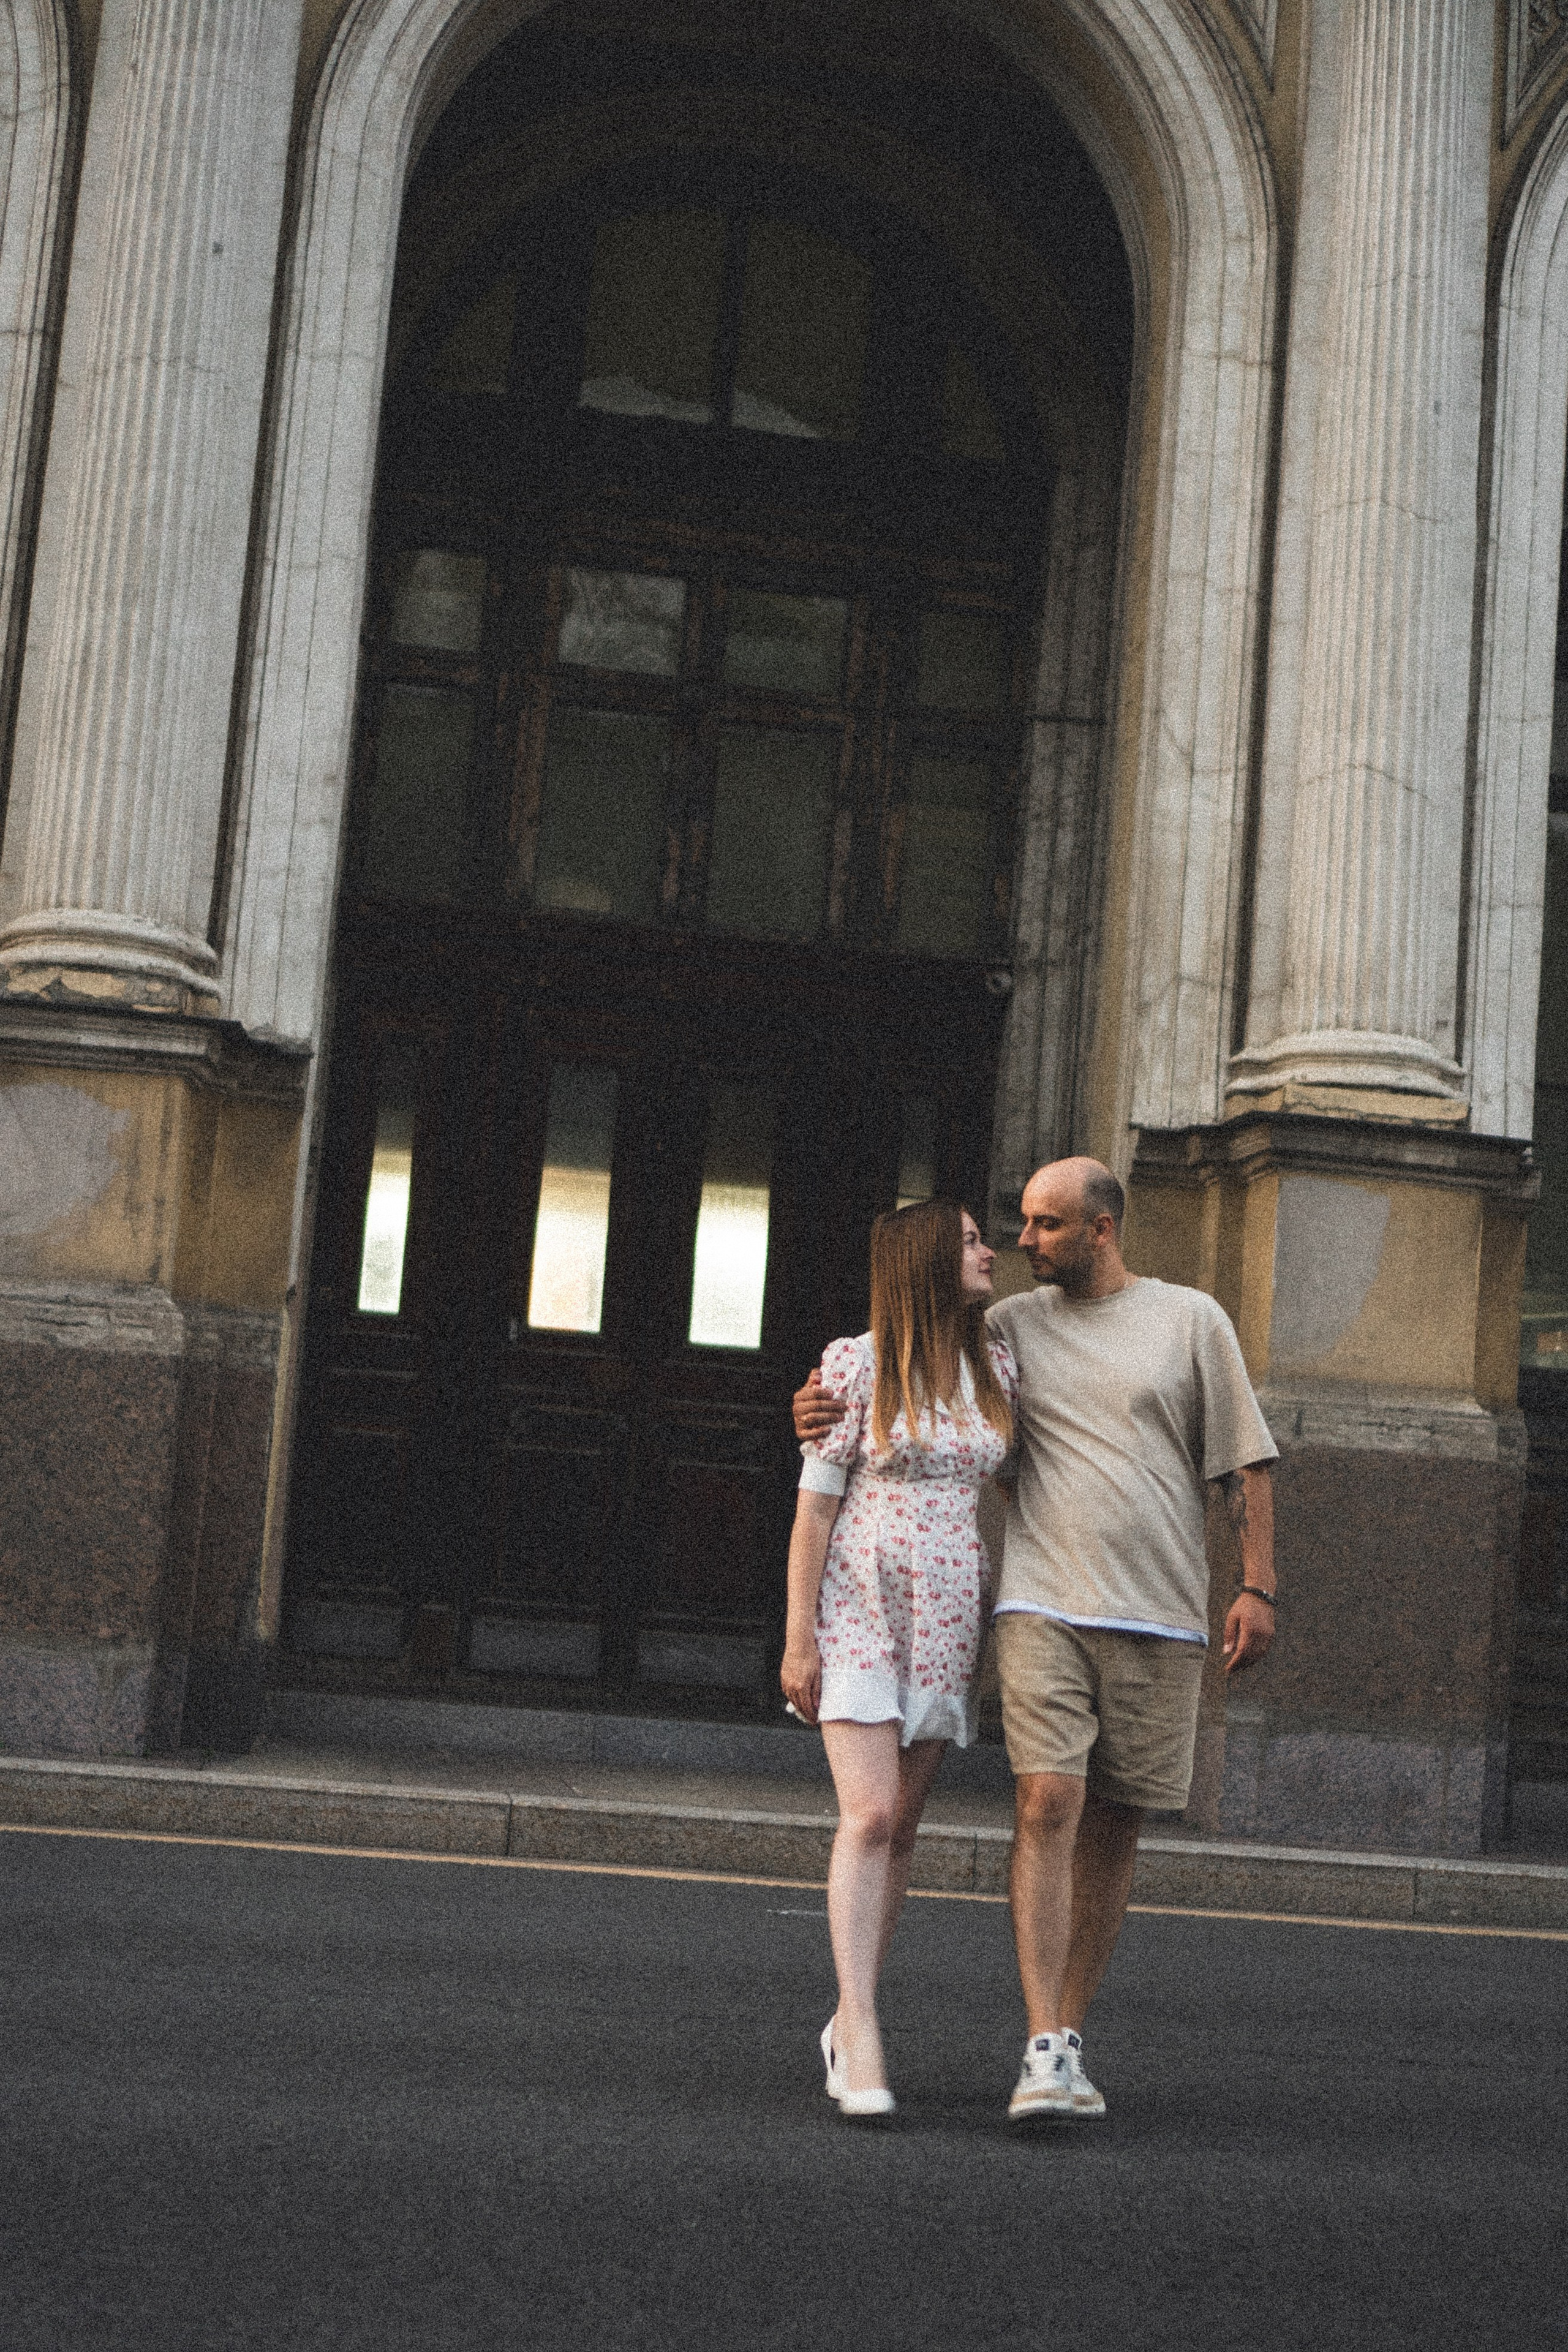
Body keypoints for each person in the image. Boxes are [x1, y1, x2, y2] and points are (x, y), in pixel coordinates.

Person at [794, 1156, 1277, 2128]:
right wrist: (813, 1414)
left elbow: (1244, 1463)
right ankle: (897, 2026)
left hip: (1095, 1611)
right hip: (995, 1604)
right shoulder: (984, 1336)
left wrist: (1258, 1584)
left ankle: (1053, 2036)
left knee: (1102, 1819)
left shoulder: (1167, 1325)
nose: (1019, 1243)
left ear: (1101, 1228)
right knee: (1019, 1801)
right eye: (1004, 1228)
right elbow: (855, 1449)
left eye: (1043, 1225)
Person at [780, 1199, 1019, 2122]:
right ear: (925, 1259)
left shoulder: (994, 1364)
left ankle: (846, 2018)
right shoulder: (855, 1363)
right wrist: (798, 1635)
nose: (988, 1252)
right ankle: (865, 2027)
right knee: (870, 1814)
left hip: (952, 1604)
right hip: (861, 1599)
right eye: (967, 1242)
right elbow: (814, 1508)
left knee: (905, 1831)